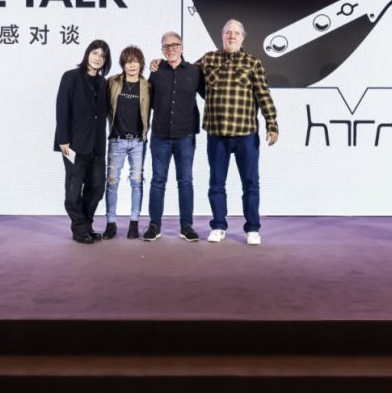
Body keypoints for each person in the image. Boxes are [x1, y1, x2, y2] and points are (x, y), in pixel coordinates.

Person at [195, 19, 278, 245]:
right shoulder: (208, 59)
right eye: (228, 32)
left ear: (243, 38)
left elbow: (263, 95)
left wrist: (272, 124)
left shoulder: (253, 63)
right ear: (222, 36)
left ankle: (252, 229)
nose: (231, 36)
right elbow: (186, 76)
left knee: (250, 184)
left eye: (236, 33)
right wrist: (160, 64)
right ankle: (218, 226)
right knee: (216, 184)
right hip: (217, 134)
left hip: (245, 135)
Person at [145, 31, 203, 242]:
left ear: (182, 46)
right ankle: (154, 225)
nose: (171, 49)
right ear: (162, 49)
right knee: (158, 181)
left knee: (185, 181)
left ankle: (187, 226)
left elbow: (210, 95)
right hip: (160, 135)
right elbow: (147, 101)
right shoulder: (156, 71)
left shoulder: (195, 71)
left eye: (174, 45)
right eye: (166, 46)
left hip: (185, 135)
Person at [54, 39, 111, 244]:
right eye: (95, 53)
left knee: (97, 188)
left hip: (97, 145)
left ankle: (86, 224)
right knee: (73, 189)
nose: (98, 58)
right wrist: (63, 140)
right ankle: (79, 228)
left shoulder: (104, 83)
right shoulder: (71, 77)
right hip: (73, 144)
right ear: (87, 54)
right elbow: (62, 108)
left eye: (102, 56)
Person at [103, 46, 151, 240]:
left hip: (138, 142)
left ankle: (134, 223)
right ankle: (111, 223)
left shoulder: (147, 86)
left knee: (136, 183)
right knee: (111, 183)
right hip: (117, 140)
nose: (132, 65)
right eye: (128, 62)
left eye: (135, 61)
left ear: (141, 64)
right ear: (123, 64)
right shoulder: (112, 82)